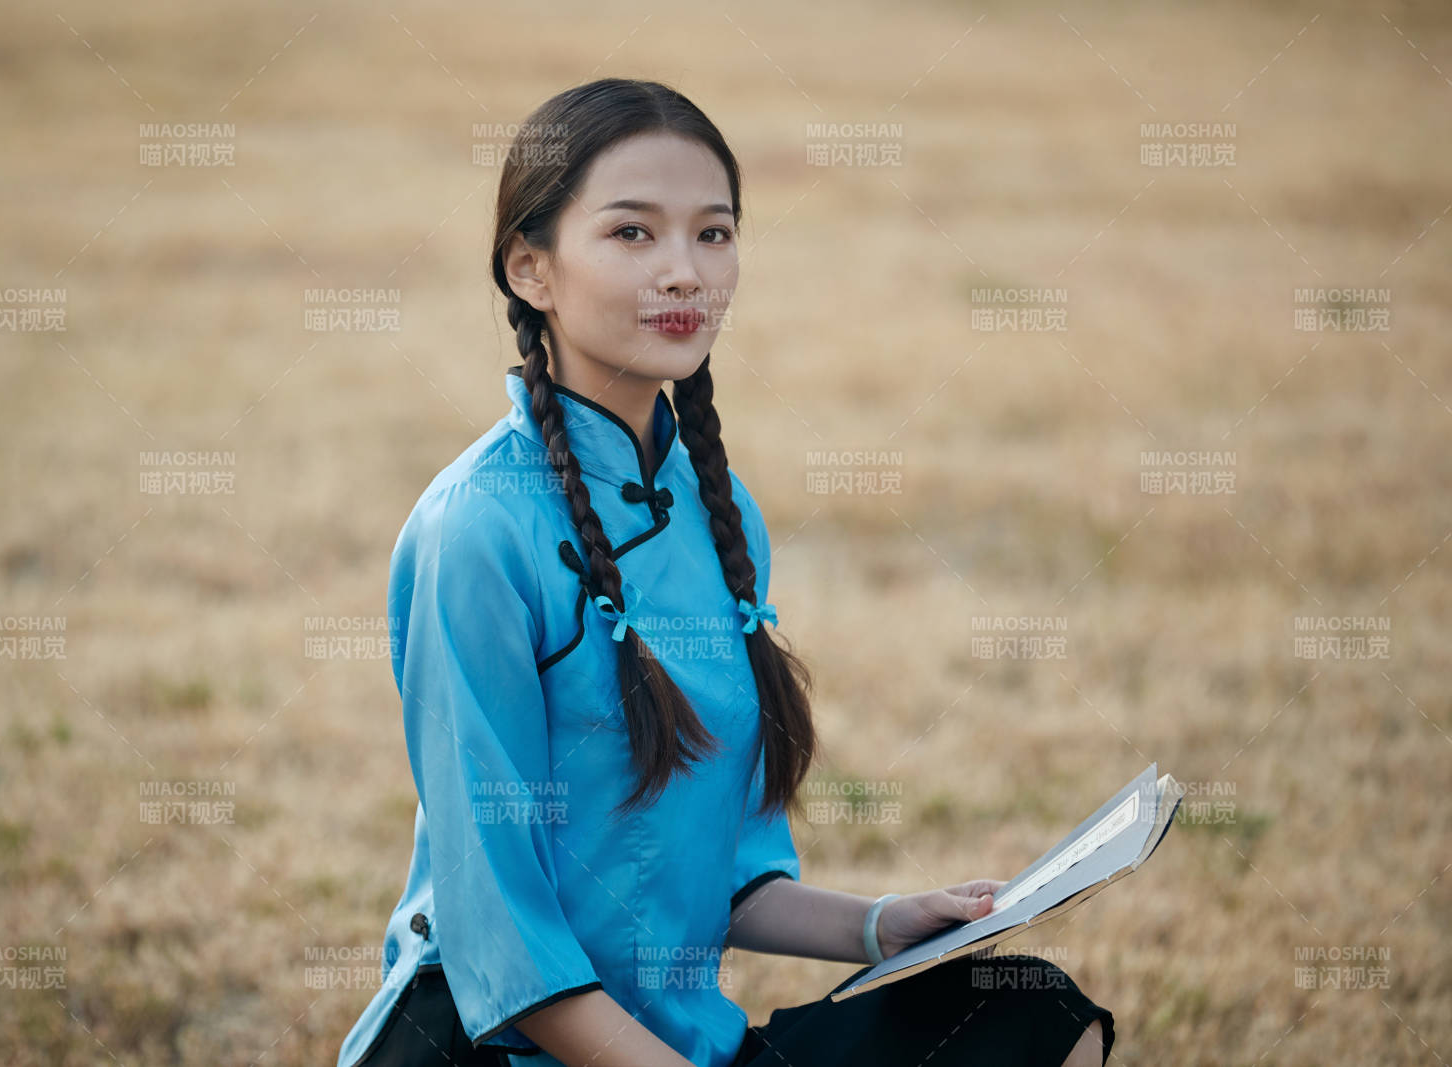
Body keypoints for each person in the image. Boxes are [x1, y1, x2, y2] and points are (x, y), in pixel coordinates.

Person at [335, 77, 1116, 1067]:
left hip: (679, 1043)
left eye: (713, 233)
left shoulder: (718, 508)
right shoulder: (475, 529)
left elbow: (735, 876)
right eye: (632, 234)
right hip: (502, 1048)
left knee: (1039, 1020)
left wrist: (881, 923)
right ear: (530, 268)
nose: (684, 273)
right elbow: (502, 944)